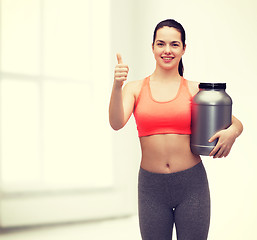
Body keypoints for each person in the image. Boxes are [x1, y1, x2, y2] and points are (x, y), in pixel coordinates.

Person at [109, 19, 243, 240]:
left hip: (192, 185)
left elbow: (234, 122)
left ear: (183, 48)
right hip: (151, 187)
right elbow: (116, 122)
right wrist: (116, 86)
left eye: (174, 44)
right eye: (161, 44)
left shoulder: (194, 90)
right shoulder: (134, 88)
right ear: (152, 47)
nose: (167, 50)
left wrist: (232, 133)